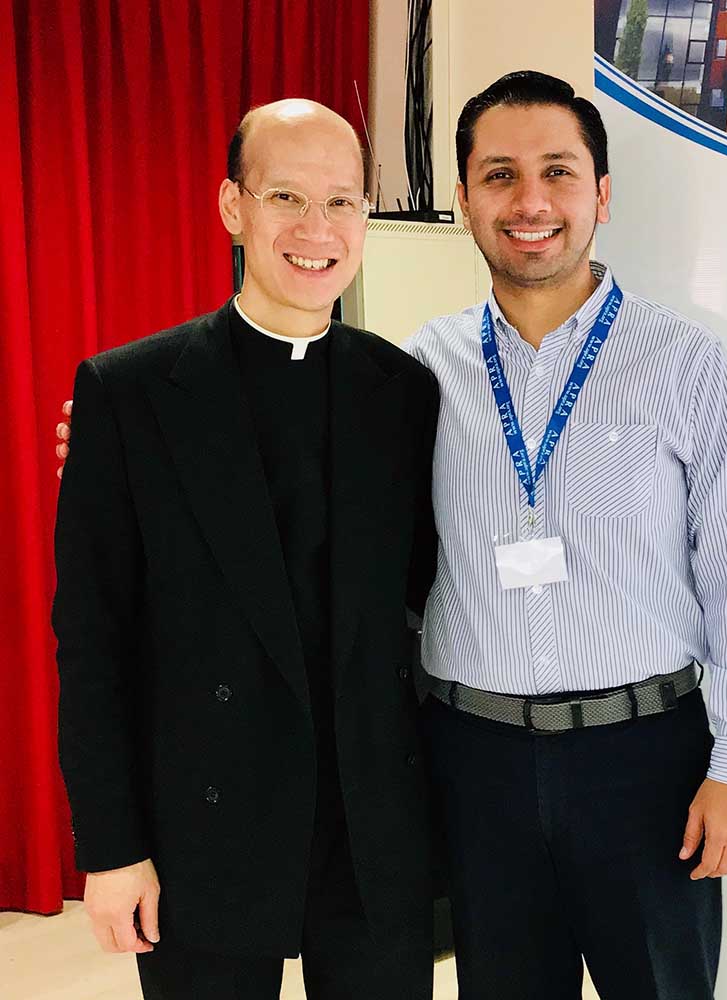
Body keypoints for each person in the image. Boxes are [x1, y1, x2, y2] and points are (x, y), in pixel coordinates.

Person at [405, 71, 727, 1000]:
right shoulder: (421, 368)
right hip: (477, 763)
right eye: (499, 174)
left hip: (645, 763)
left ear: (601, 196)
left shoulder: (684, 361)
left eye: (558, 172)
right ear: (463, 201)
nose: (529, 201)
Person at [52, 99, 438, 1000]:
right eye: (287, 197)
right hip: (205, 827)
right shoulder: (130, 393)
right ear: (232, 207)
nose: (318, 229)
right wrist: (111, 850)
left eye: (343, 201)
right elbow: (93, 643)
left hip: (369, 829)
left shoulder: (406, 393)